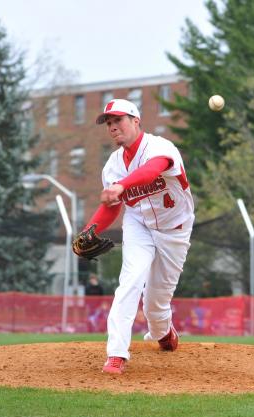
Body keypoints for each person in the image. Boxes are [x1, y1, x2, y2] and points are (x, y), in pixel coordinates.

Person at [83, 98, 195, 374]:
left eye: (118, 120)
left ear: (136, 121)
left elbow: (152, 171)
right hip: (139, 225)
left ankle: (162, 331)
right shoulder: (113, 166)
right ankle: (116, 354)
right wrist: (90, 230)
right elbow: (111, 205)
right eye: (108, 123)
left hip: (174, 229)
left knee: (156, 301)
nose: (112, 127)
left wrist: (121, 186)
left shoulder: (160, 147)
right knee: (130, 281)